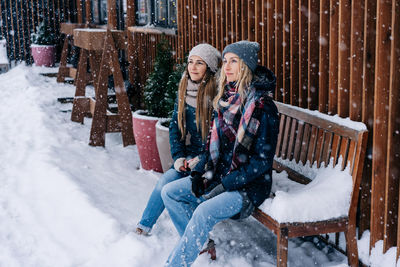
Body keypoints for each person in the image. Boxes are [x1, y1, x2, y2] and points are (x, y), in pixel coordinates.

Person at [161, 41, 279, 266]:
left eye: (234, 61)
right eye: (225, 61)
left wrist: (226, 184)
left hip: (248, 186)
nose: (227, 66)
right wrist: (199, 172)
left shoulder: (263, 107)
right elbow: (210, 147)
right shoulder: (226, 97)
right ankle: (201, 245)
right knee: (170, 192)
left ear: (246, 65)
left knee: (203, 212)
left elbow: (262, 163)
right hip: (219, 176)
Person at [135, 43, 221, 235]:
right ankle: (144, 226)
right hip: (191, 158)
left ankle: (195, 241)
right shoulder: (184, 89)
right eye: (191, 61)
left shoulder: (217, 96)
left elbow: (219, 141)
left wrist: (200, 162)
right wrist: (179, 157)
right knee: (165, 181)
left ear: (210, 68)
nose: (193, 67)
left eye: (200, 63)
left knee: (173, 191)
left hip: (211, 162)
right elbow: (175, 128)